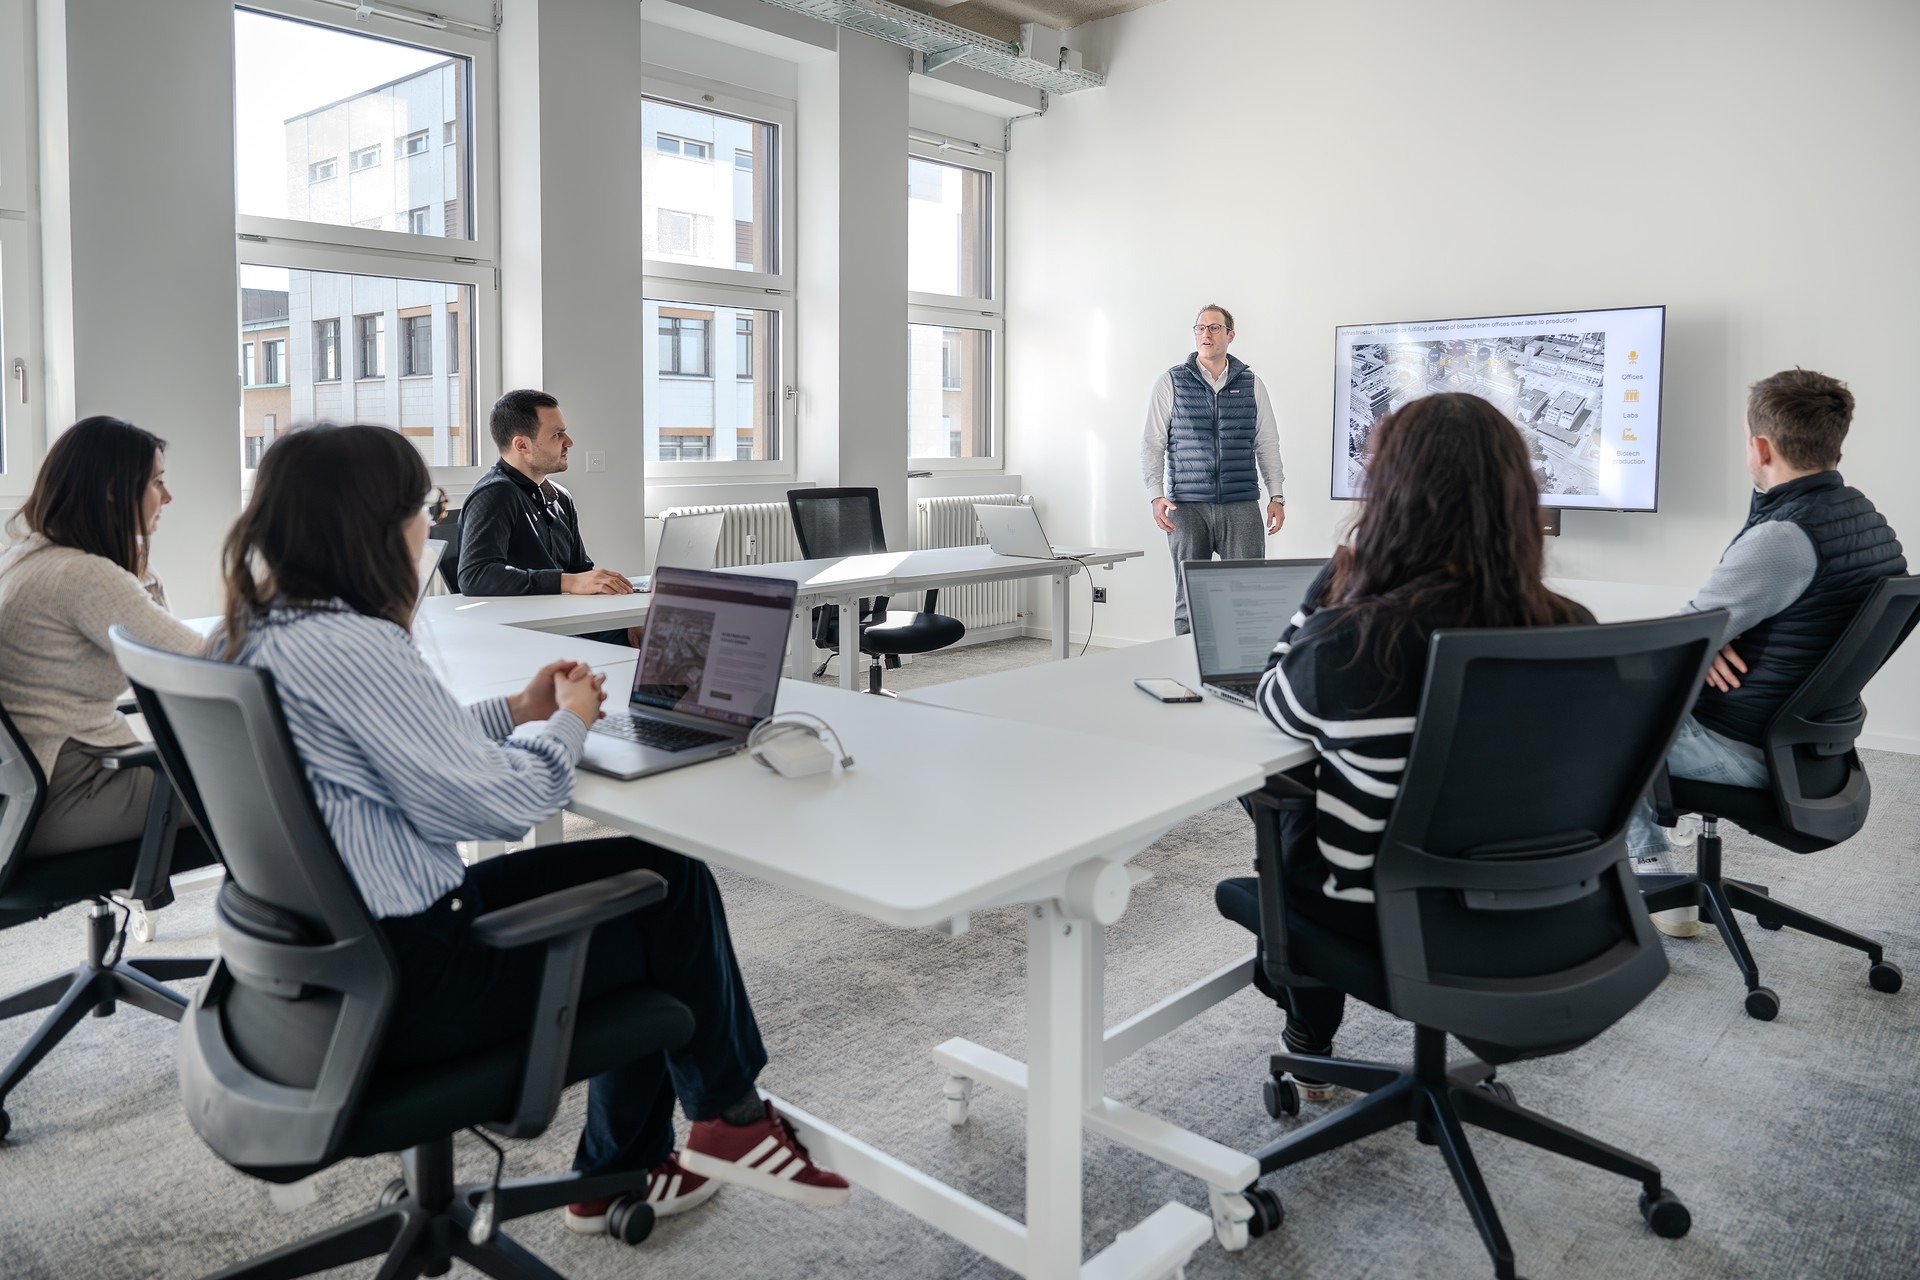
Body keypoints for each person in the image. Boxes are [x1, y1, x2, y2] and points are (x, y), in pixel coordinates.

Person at [220, 424, 847, 1234]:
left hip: (318, 960)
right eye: (426, 509)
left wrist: (519, 710)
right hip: (413, 981)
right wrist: (571, 726)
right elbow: (497, 808)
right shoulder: (359, 645)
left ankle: (631, 1165)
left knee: (658, 875)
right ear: (373, 524)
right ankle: (719, 1119)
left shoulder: (253, 636)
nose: (431, 528)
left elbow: (409, 743)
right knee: (662, 901)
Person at [1213, 393, 1591, 1102]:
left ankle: (1308, 1030)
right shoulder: (1571, 625)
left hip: (1382, 917)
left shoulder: (1357, 641)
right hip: (1542, 906)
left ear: (1387, 496)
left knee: (1278, 794)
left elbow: (1271, 697)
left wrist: (1333, 585)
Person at [1626, 369, 1905, 935]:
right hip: (1806, 749)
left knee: (1582, 715)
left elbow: (1672, 644)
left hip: (1743, 747)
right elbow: (1709, 631)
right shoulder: (1864, 520)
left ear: (1759, 446)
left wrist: (1700, 643)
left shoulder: (1784, 538)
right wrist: (1707, 640)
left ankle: (1652, 876)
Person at [0, 416, 215, 861]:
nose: (168, 496)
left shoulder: (25, 556)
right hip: (72, 789)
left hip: (28, 793)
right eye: (157, 482)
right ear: (114, 492)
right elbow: (199, 661)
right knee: (272, 791)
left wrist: (136, 565)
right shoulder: (83, 574)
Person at [1140, 304, 1287, 635]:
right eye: (1200, 328)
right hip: (1187, 507)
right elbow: (1152, 443)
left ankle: (1243, 676)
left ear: (1230, 335)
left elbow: (1267, 443)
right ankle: (1189, 672)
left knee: (1247, 595)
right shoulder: (1170, 382)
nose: (1206, 334)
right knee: (1191, 599)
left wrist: (1276, 494)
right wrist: (1155, 495)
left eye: (1215, 328)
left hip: (1241, 504)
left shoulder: (1251, 384)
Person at [457, 388, 636, 646]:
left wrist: (623, 619)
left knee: (657, 633)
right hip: (527, 634)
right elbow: (475, 575)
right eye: (557, 434)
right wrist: (568, 582)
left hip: (569, 621)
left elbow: (579, 570)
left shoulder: (561, 497)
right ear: (522, 445)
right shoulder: (495, 495)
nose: (569, 441)